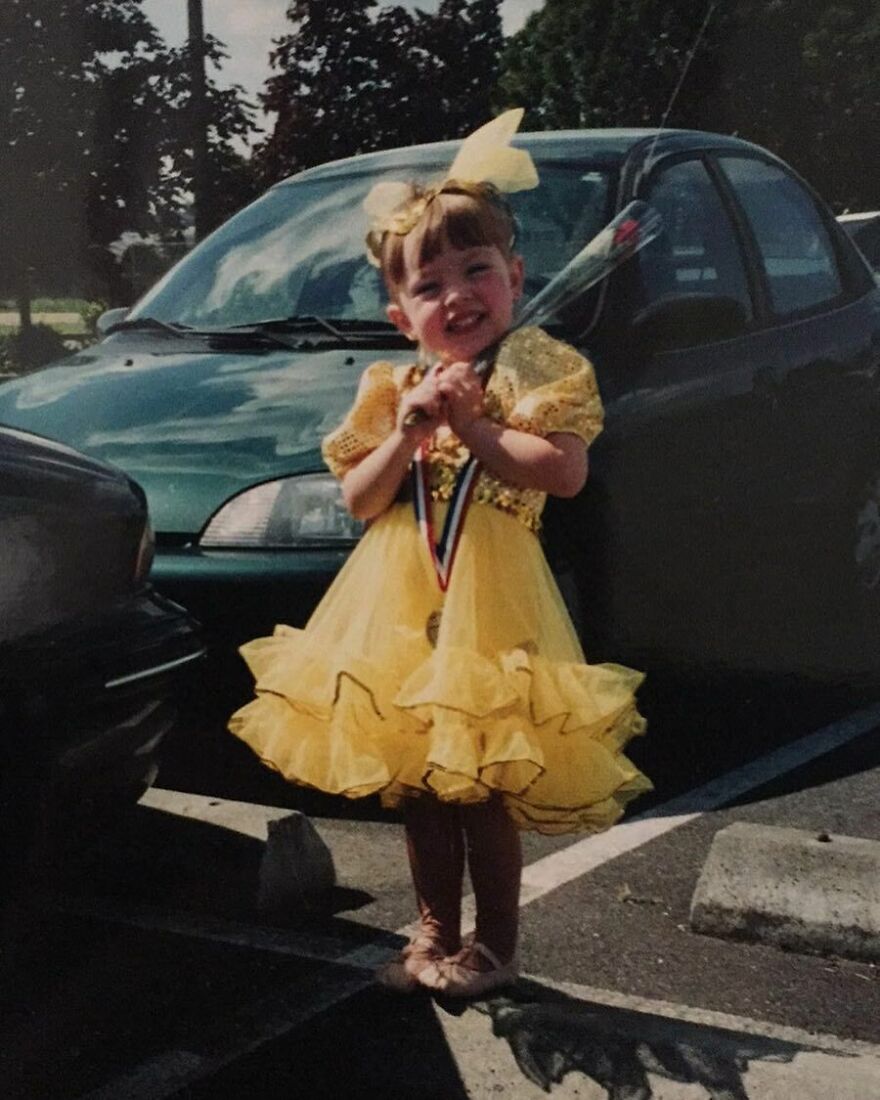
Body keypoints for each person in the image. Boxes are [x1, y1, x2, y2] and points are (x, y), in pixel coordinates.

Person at [228, 109, 651, 998]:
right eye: (430, 284)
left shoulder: (536, 365)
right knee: (420, 784)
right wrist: (412, 433)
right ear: (401, 313)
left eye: (477, 271)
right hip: (395, 605)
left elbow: (561, 472)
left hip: (491, 601)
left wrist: (477, 422)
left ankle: (495, 946)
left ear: (515, 277)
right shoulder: (391, 385)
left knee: (482, 782)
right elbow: (359, 497)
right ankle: (432, 931)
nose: (457, 294)